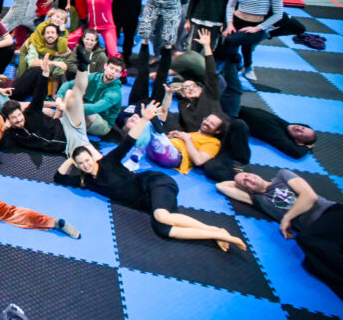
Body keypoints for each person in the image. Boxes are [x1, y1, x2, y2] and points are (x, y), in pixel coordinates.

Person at [55, 101, 247, 251]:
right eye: (81, 164)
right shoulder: (86, 181)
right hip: (148, 202)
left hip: (155, 182)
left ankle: (221, 234)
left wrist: (145, 119)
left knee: (161, 216)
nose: (86, 165)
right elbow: (59, 178)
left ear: (93, 158)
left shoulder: (109, 161)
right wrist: (72, 159)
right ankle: (215, 233)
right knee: (163, 229)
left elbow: (129, 141)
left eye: (87, 160)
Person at [217, 170, 341, 296]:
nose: (249, 179)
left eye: (247, 175)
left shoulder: (282, 176)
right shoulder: (259, 199)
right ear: (248, 191)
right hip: (319, 232)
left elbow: (310, 196)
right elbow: (221, 186)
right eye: (245, 182)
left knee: (306, 240)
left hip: (330, 213)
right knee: (312, 265)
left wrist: (287, 218)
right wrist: (238, 182)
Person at [166, 29, 250, 182]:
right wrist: (176, 134)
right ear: (183, 93)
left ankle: (239, 162)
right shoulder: (183, 105)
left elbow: (211, 73)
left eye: (192, 86)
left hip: (223, 139)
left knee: (240, 124)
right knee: (210, 169)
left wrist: (207, 47)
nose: (189, 88)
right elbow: (181, 126)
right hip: (205, 145)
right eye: (186, 87)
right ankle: (238, 180)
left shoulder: (209, 95)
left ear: (200, 88)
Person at [1, 47, 99, 158]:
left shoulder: (31, 113)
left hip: (65, 123)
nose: (18, 119)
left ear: (22, 112)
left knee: (73, 93)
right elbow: (0, 144)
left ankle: (82, 68)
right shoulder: (13, 135)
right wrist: (5, 126)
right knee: (96, 160)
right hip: (70, 142)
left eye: (19, 115)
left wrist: (45, 75)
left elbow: (39, 96)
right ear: (8, 120)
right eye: (14, 118)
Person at [220, 0, 283, 97]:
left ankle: (242, 65)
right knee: (230, 46)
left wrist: (258, 28)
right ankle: (239, 66)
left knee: (233, 42)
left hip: (256, 25)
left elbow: (278, 14)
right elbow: (231, 5)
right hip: (237, 21)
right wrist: (229, 24)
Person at [81, 0, 145, 57]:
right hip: (92, 27)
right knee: (76, 42)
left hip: (107, 27)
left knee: (113, 53)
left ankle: (117, 66)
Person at [55, 54, 126, 137]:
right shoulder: (94, 77)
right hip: (83, 110)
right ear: (105, 66)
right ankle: (57, 121)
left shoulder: (115, 93)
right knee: (69, 92)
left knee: (89, 114)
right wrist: (59, 98)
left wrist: (68, 107)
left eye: (117, 71)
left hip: (102, 123)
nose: (112, 72)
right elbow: (68, 84)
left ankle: (62, 124)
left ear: (120, 74)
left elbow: (95, 108)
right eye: (111, 68)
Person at [237, 106, 316, 160]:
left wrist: (306, 147)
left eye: (301, 133)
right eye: (303, 128)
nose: (299, 128)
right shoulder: (288, 125)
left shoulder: (279, 136)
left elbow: (297, 153)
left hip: (234, 117)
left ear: (298, 141)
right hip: (238, 107)